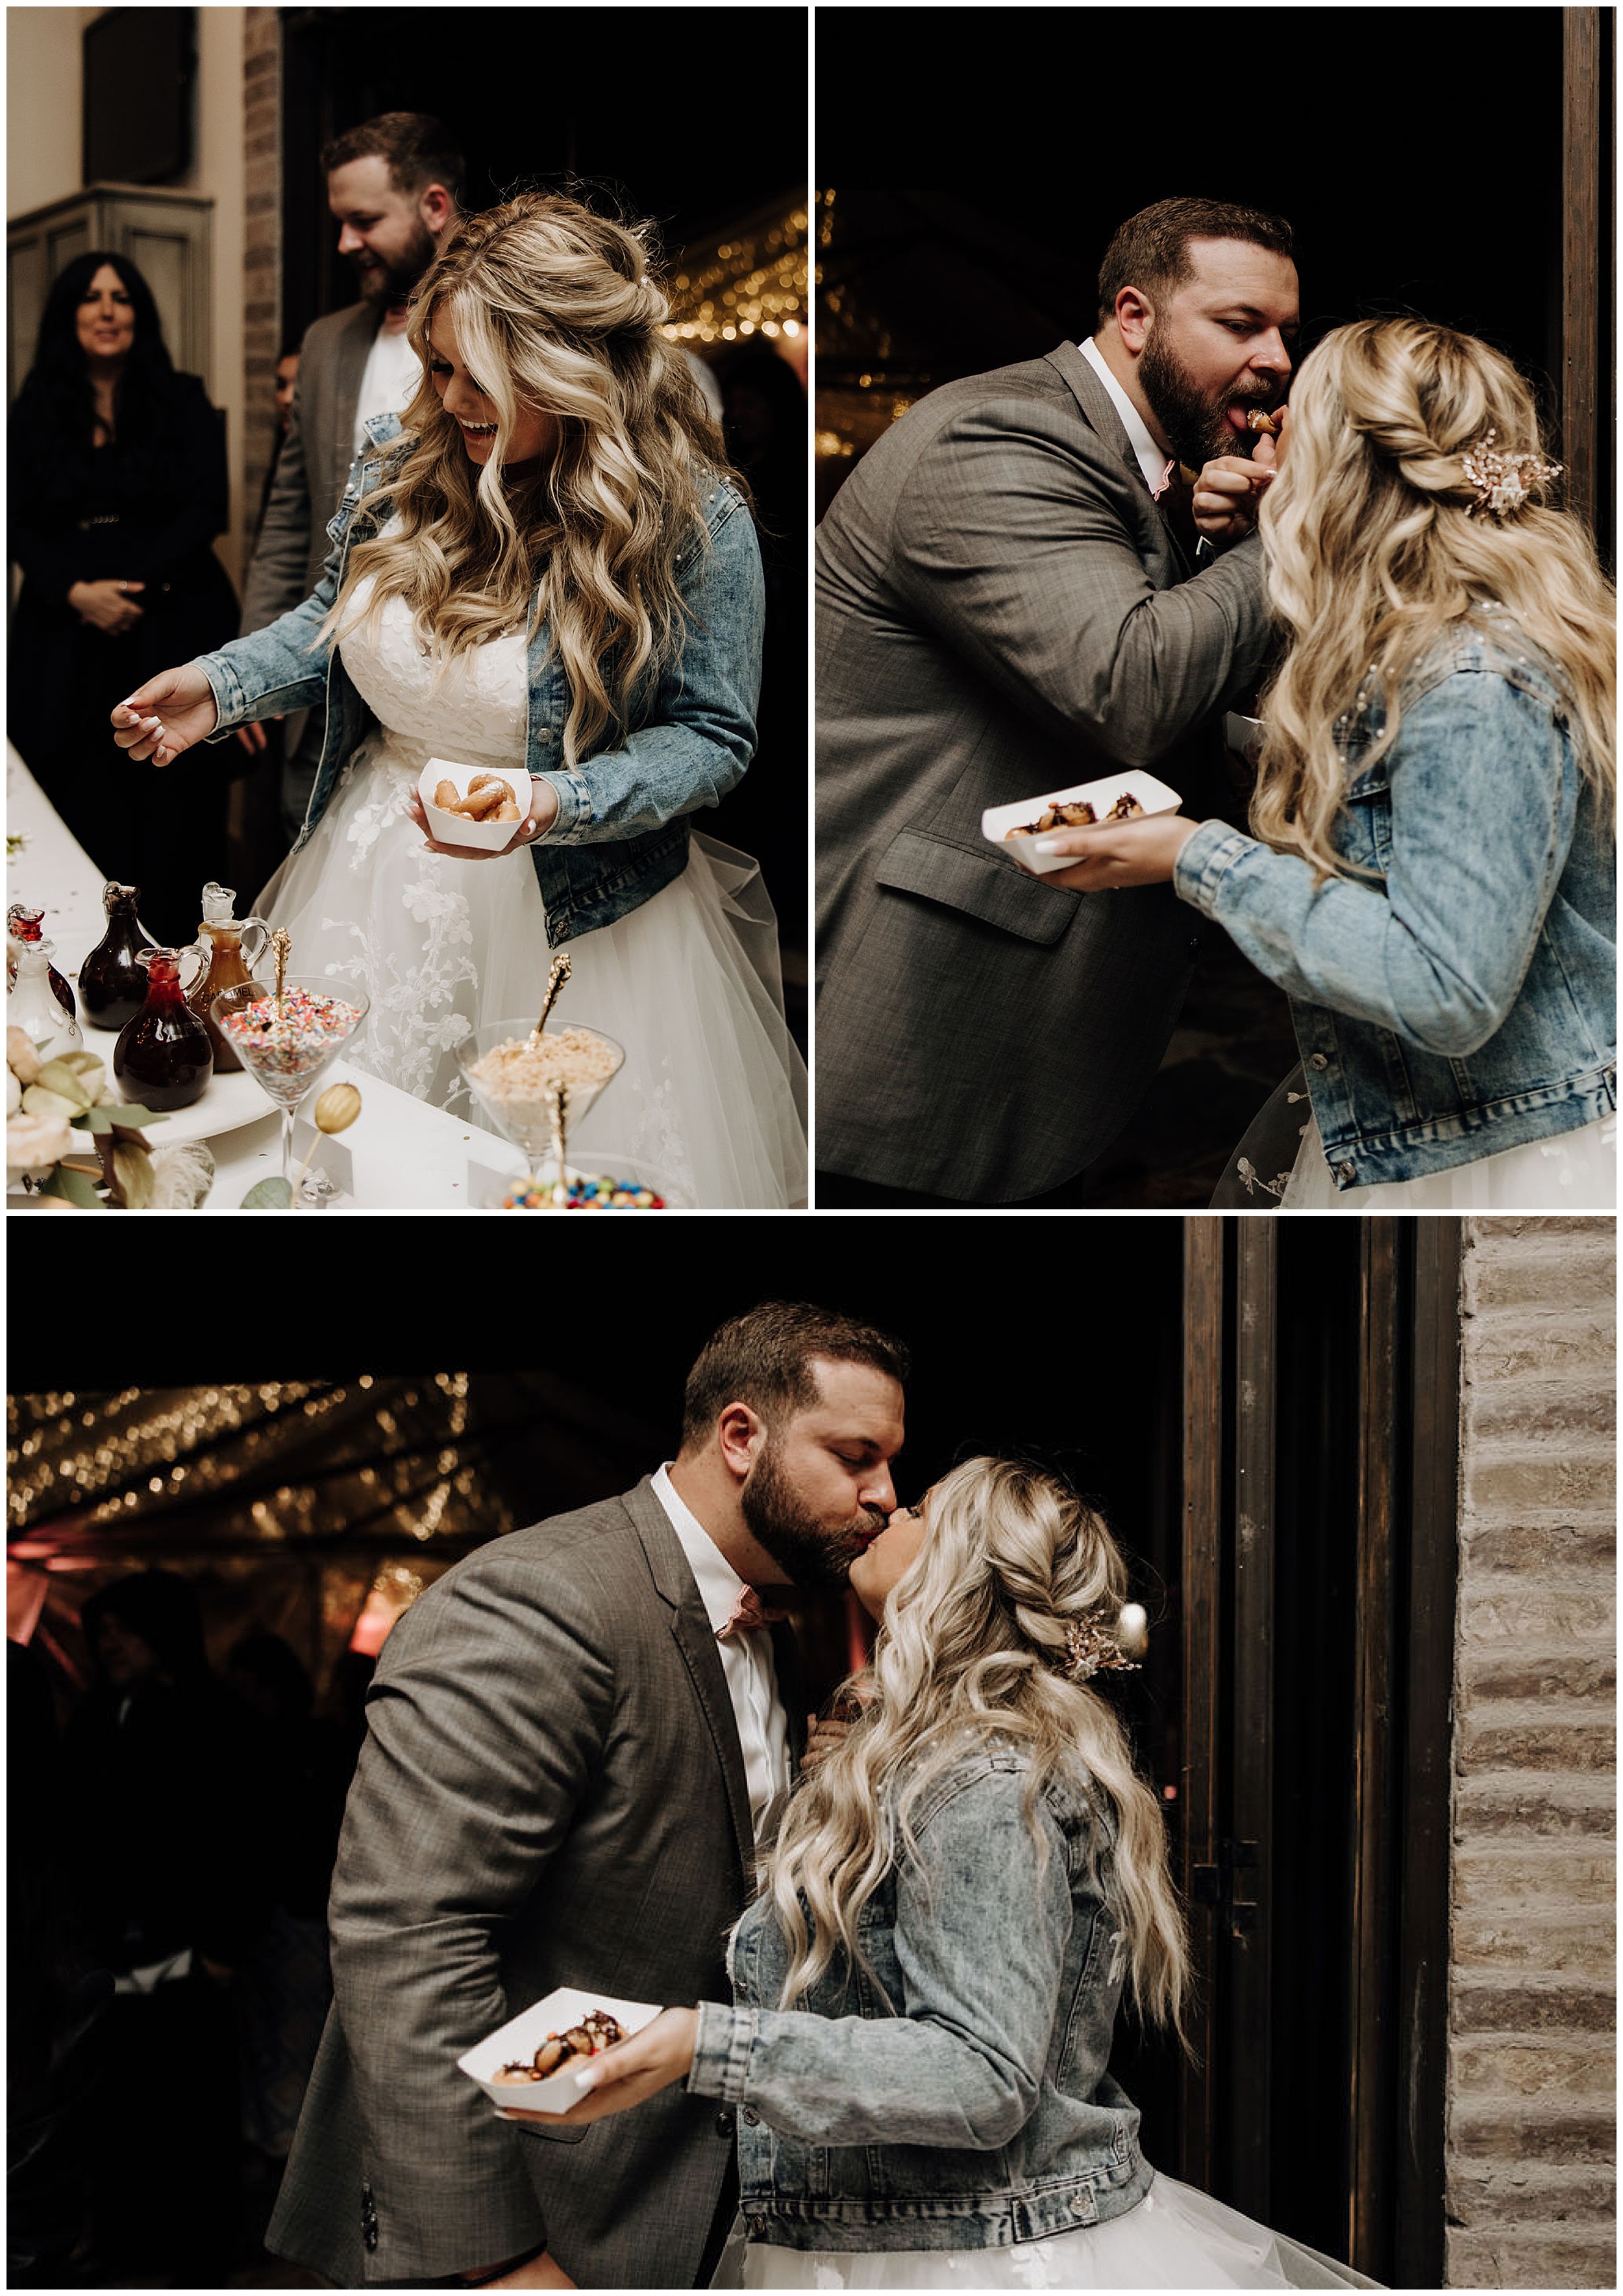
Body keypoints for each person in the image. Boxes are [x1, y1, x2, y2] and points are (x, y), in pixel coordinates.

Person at [521, 1458, 1380, 2291]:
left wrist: (704, 2044)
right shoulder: (933, 1759)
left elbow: (983, 2076)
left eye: (924, 1508)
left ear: (959, 1568)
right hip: (900, 2238)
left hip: (966, 2257)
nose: (891, 1509)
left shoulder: (984, 1782)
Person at [111, 194, 810, 1209]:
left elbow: (711, 736)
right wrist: (222, 684)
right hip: (369, 880)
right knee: (340, 1170)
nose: (452, 399)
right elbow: (334, 615)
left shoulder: (694, 517)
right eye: (438, 364)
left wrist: (551, 804)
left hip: (578, 911)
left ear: (573, 365)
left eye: (482, 373)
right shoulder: (405, 455)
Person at [264, 1302, 909, 2290]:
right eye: (856, 1456)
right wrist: (497, 2260)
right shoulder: (545, 1599)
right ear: (742, 1436)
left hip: (669, 2199)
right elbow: (409, 1932)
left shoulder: (771, 1622)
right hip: (534, 2198)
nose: (884, 1496)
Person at [1032, 319, 1617, 1210]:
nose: (1264, 437)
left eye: (1288, 421)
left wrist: (1194, 856)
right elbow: (1389, 793)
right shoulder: (1423, 643)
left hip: (1502, 1150)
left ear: (1343, 466)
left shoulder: (1474, 678)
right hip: (1437, 1118)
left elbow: (1448, 989)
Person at [814, 197, 1297, 1206]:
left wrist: (1213, 538)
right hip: (924, 1008)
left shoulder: (1136, 458)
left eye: (1285, 329)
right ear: (1134, 316)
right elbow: (1128, 684)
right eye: (1241, 324)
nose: (1279, 358)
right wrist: (1292, 531)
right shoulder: (1000, 435)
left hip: (1031, 1005)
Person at [237, 112, 464, 843]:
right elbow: (288, 514)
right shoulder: (326, 342)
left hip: (455, 677)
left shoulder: (507, 335)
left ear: (434, 206)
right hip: (325, 670)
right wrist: (254, 659)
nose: (345, 243)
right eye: (341, 222)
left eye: (364, 220)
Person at [8, 252, 239, 944]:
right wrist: (79, 592)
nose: (107, 310)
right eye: (90, 297)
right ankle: (78, 951)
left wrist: (136, 585)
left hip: (166, 620)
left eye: (121, 298)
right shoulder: (34, 406)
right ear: (67, 316)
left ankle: (174, 956)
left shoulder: (184, 397)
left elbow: (207, 508)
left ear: (140, 313)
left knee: (171, 796)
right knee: (74, 789)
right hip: (63, 633)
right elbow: (14, 517)